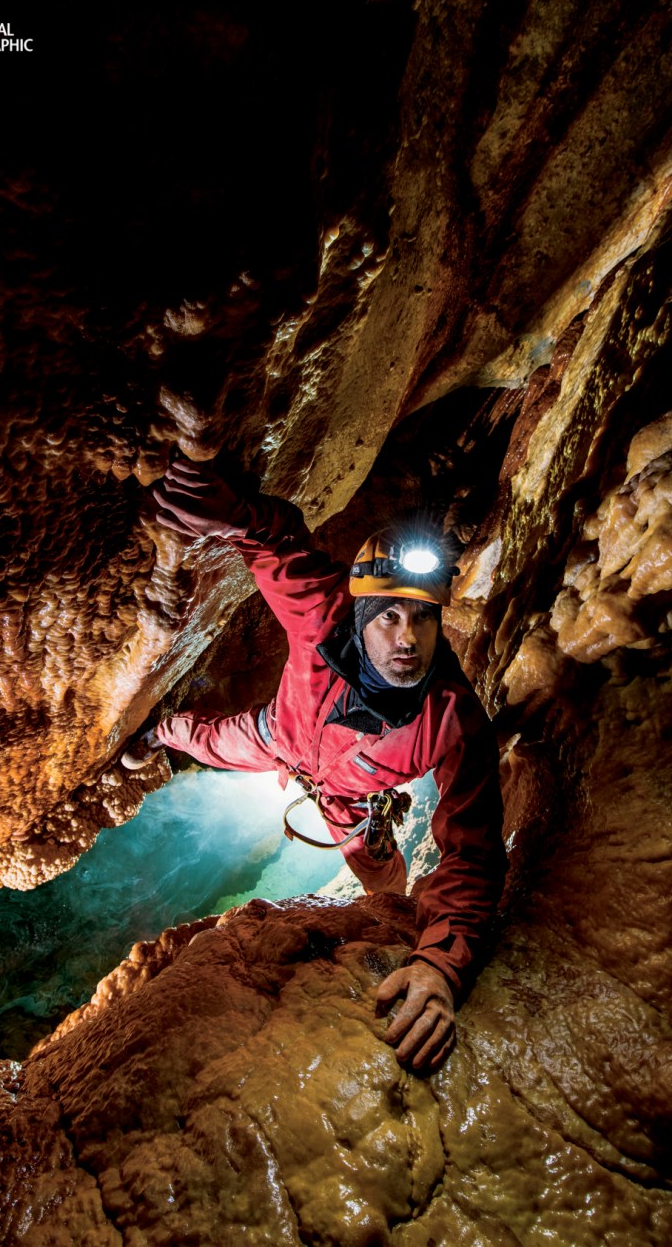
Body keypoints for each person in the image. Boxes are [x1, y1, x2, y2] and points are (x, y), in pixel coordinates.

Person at [123, 456, 507, 1071]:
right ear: (361, 617)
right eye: (388, 616)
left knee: (381, 880)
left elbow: (473, 853)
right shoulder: (325, 615)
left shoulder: (453, 717)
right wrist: (232, 514)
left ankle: (396, 910)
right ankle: (156, 734)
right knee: (204, 739)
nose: (406, 637)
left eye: (423, 617)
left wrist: (440, 963)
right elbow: (276, 544)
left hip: (350, 801)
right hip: (279, 737)